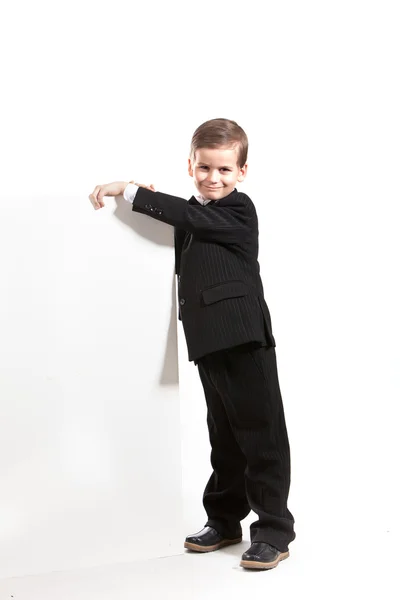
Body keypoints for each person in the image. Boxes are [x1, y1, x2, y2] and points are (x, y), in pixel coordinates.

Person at [88, 118, 296, 570]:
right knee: (223, 435)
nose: (213, 178)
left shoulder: (239, 210)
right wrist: (140, 207)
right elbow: (180, 224)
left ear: (242, 172)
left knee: (262, 435)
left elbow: (190, 216)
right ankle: (223, 521)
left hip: (244, 339)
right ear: (190, 165)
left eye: (224, 170)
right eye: (205, 168)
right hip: (207, 340)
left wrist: (132, 192)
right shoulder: (192, 210)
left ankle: (275, 531)